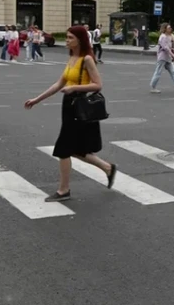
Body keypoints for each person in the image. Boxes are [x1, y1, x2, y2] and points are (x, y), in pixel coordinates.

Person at [25, 25, 117, 202]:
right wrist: (37, 99)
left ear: (80, 40)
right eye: (66, 37)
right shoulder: (72, 58)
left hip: (79, 105)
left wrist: (74, 87)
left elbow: (98, 85)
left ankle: (63, 190)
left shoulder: (87, 59)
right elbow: (59, 83)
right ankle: (108, 168)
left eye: (70, 38)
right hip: (69, 105)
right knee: (76, 149)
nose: (66, 41)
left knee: (64, 149)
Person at [150, 23, 174, 93]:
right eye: (169, 28)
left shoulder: (170, 36)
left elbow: (173, 47)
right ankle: (153, 87)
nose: (170, 29)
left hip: (168, 57)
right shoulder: (163, 37)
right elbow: (166, 48)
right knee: (158, 72)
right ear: (165, 29)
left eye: (170, 28)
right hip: (162, 57)